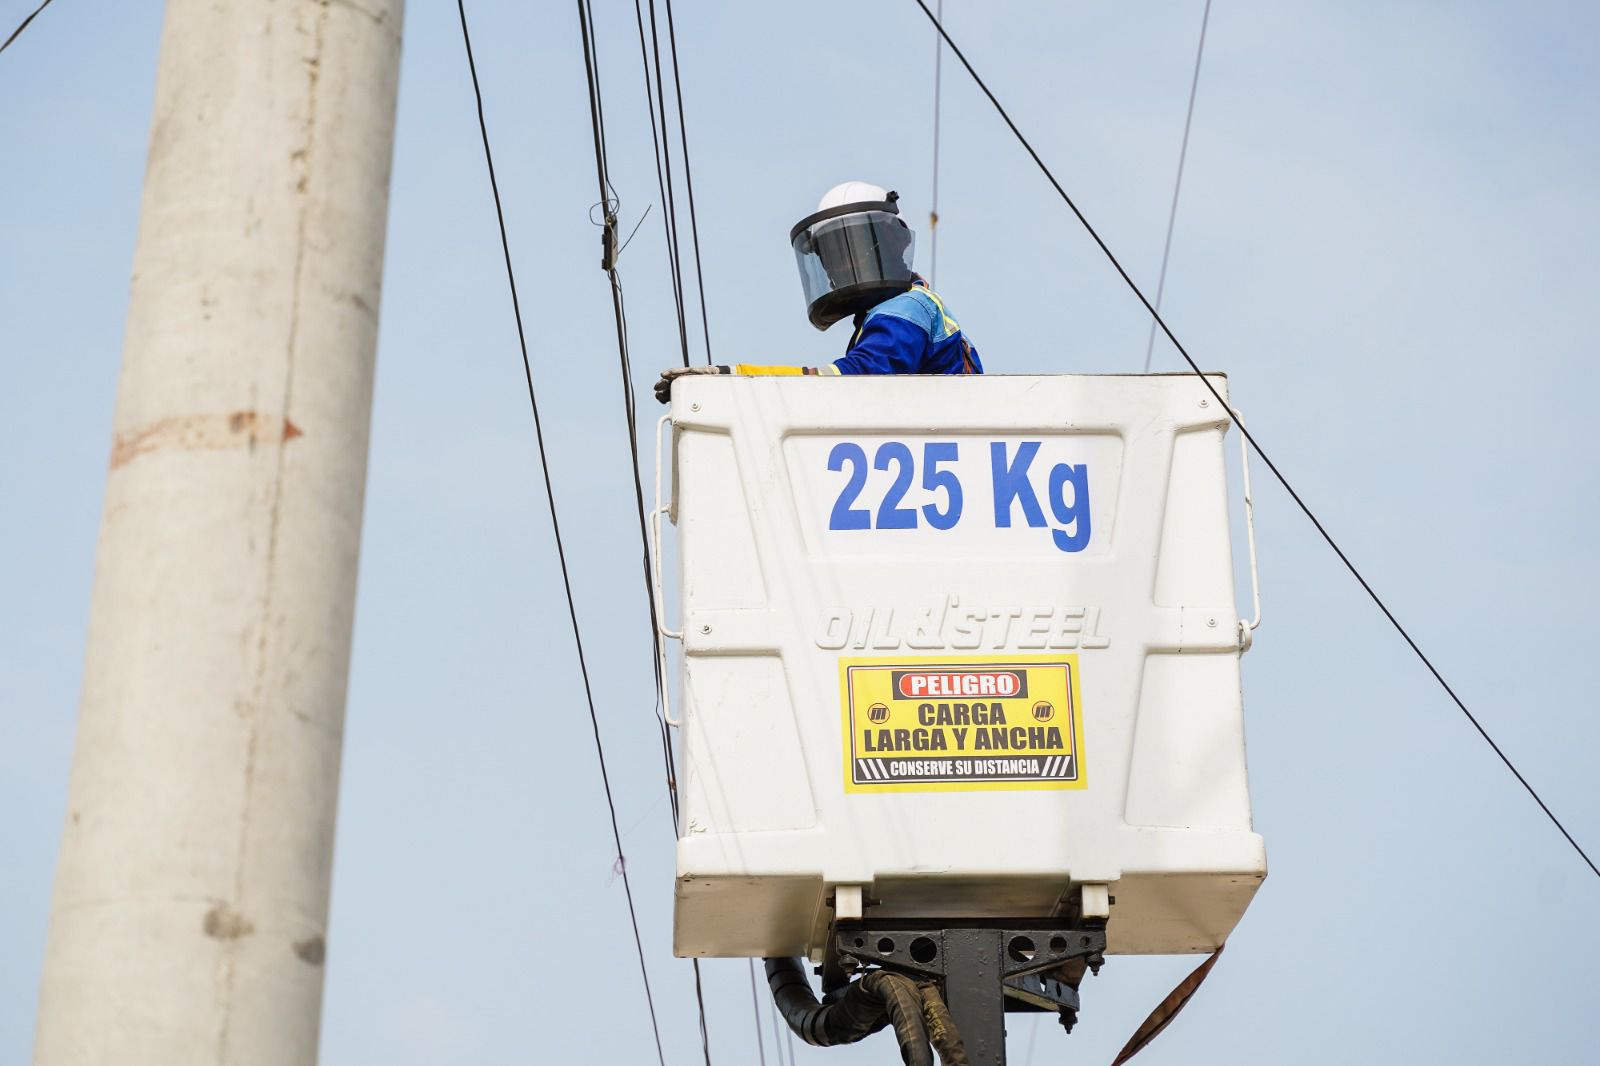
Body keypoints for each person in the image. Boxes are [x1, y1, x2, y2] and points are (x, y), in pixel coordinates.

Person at [655, 181, 982, 403]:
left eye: (852, 250)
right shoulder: (886, 314)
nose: (838, 266)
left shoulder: (908, 308)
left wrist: (732, 380)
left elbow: (858, 379)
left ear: (892, 243)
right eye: (832, 255)